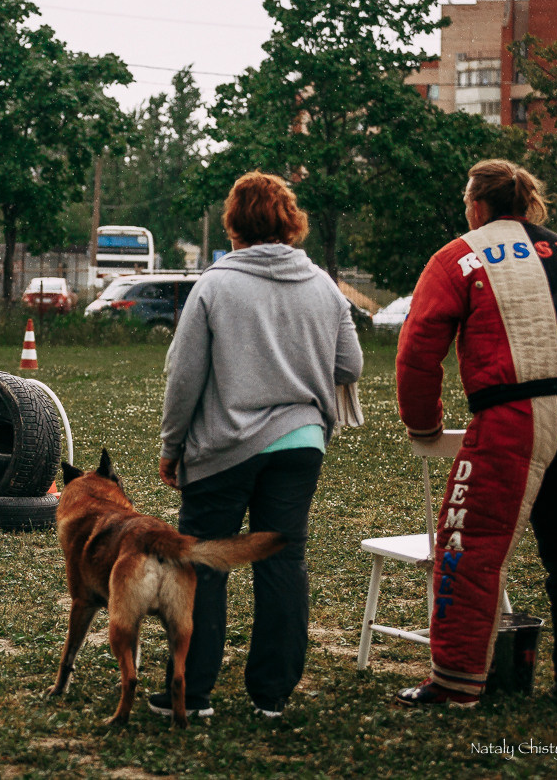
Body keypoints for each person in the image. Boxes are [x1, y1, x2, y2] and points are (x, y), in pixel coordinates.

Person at [395, 159, 557, 711]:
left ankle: (457, 681)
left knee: (469, 547)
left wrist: (424, 423)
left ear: (476, 205)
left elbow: (418, 349)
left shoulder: (458, 256)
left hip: (511, 414)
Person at [154, 171, 364, 719]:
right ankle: (272, 695)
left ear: (233, 225)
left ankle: (191, 692)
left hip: (223, 447)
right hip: (300, 444)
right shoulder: (323, 285)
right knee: (283, 561)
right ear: (291, 222)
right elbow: (350, 365)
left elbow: (184, 377)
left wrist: (172, 446)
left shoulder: (215, 285)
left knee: (204, 562)